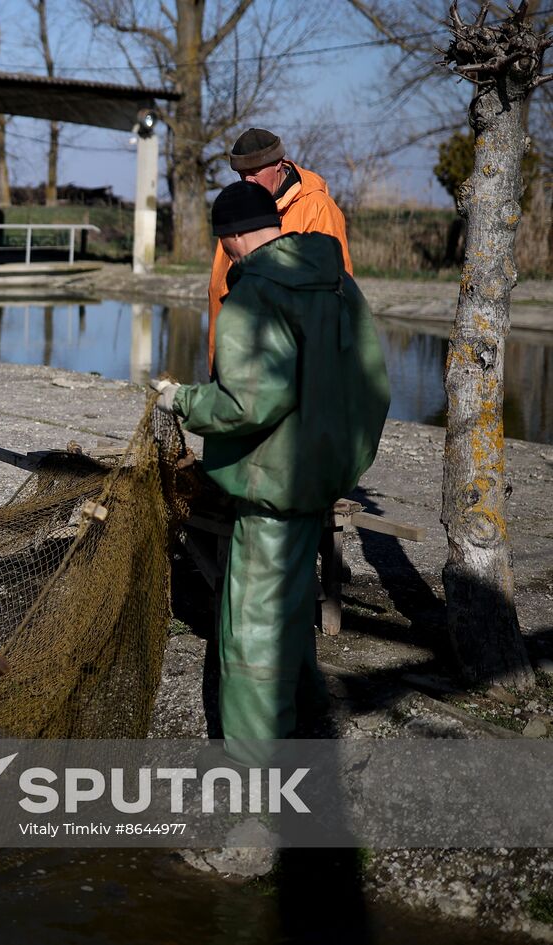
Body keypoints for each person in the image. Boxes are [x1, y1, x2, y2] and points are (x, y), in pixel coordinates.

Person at [152, 182, 389, 759]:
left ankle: (255, 785)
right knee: (290, 610)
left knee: (252, 630)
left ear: (233, 236)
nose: (226, 254)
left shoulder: (253, 297)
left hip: (269, 493)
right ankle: (307, 718)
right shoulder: (339, 283)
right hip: (323, 480)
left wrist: (180, 400)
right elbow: (374, 391)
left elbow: (246, 404)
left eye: (223, 243)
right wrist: (345, 464)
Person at [206, 128, 353, 370]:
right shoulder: (240, 209)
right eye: (242, 175)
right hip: (233, 363)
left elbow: (337, 292)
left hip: (289, 372)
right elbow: (218, 289)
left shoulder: (318, 209)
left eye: (254, 172)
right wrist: (217, 373)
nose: (248, 181)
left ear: (279, 165)